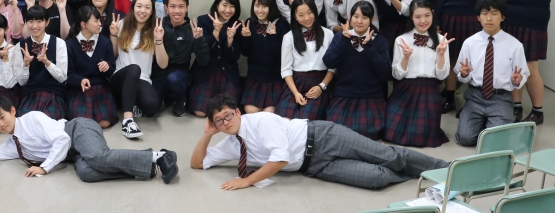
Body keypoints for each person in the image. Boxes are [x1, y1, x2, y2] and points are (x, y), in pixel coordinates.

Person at [191, 94, 449, 190]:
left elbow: (280, 159)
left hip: (324, 137)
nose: (226, 122)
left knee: (388, 156)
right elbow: (197, 163)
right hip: (314, 166)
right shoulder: (231, 142)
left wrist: (247, 181)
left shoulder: (260, 120)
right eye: (219, 121)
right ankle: (419, 174)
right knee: (376, 178)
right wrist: (207, 134)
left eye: (228, 115)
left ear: (238, 112)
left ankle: (448, 169)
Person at [0, 95, 179, 183]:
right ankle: (146, 167)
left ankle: (160, 156)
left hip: (76, 129)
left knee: (98, 157)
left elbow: (62, 139)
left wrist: (44, 168)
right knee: (86, 173)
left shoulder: (32, 118)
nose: (1, 124)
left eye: (2, 117)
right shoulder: (12, 145)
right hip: (72, 154)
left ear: (12, 111)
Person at [494, 0, 554, 125]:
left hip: (533, 23)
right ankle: (516, 106)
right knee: (513, 65)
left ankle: (538, 110)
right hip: (510, 21)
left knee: (530, 66)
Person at [454, 0, 530, 146]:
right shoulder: (469, 43)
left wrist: (517, 81)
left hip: (500, 98)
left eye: (494, 13)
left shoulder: (515, 45)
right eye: (484, 13)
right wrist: (464, 74)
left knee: (494, 142)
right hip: (475, 96)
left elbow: (523, 74)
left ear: (503, 17)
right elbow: (460, 73)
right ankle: (484, 123)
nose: (489, 18)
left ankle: (491, 124)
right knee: (465, 139)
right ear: (478, 17)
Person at [387, 0, 452, 147]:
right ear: (411, 17)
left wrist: (441, 55)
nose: (423, 21)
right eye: (417, 17)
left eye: (427, 15)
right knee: (392, 131)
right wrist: (406, 58)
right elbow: (397, 75)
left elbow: (442, 76)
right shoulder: (401, 40)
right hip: (405, 88)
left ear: (433, 14)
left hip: (430, 89)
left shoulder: (442, 41)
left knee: (420, 135)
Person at [321, 2, 390, 140]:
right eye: (356, 16)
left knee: (368, 133)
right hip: (344, 94)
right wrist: (343, 40)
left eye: (364, 17)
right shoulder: (340, 37)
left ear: (372, 19)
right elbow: (328, 62)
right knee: (339, 133)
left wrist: (369, 46)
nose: (359, 21)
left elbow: (385, 71)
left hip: (371, 96)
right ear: (350, 17)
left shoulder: (379, 40)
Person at [108, 0, 168, 138]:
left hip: (142, 79)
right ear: (133, 8)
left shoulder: (155, 30)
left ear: (152, 11)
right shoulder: (121, 25)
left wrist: (159, 40)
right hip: (120, 77)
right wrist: (113, 35)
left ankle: (130, 101)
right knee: (134, 68)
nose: (142, 11)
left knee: (152, 106)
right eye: (139, 6)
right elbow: (113, 55)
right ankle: (128, 121)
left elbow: (163, 64)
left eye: (147, 7)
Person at [275, 0, 335, 120]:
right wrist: (296, 93)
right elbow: (286, 70)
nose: (307, 18)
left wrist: (321, 86)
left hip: (319, 82)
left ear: (315, 12)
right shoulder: (289, 37)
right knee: (284, 120)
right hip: (295, 83)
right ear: (295, 17)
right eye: (301, 15)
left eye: (309, 13)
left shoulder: (328, 34)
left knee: (304, 122)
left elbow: (333, 67)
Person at [189, 0, 243, 118]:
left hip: (227, 72)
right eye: (224, 5)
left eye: (232, 6)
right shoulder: (204, 20)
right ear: (217, 5)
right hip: (207, 70)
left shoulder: (237, 25)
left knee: (228, 111)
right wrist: (216, 32)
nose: (228, 10)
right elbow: (203, 51)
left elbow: (234, 57)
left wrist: (230, 40)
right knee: (200, 112)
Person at [156, 0, 209, 117]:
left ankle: (180, 97)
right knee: (151, 108)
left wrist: (199, 40)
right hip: (159, 71)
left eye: (181, 6)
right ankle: (168, 93)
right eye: (172, 6)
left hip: (180, 73)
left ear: (187, 8)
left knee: (173, 79)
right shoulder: (159, 25)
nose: (177, 11)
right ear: (166, 8)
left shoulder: (192, 28)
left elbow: (204, 61)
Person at [238, 0, 289, 114]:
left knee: (269, 112)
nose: (260, 10)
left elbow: (281, 57)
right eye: (257, 6)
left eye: (264, 6)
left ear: (271, 7)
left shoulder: (282, 25)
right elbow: (245, 53)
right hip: (255, 76)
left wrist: (272, 38)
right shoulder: (250, 23)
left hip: (274, 77)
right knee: (251, 111)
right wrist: (246, 37)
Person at [65, 6, 117, 127]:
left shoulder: (105, 42)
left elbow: (112, 70)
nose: (100, 24)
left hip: (101, 87)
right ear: (84, 24)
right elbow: (68, 73)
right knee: (82, 122)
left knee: (104, 123)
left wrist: (107, 67)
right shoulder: (69, 44)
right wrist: (80, 80)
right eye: (96, 21)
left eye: (100, 20)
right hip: (79, 89)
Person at [14, 5, 68, 119]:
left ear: (47, 22)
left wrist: (47, 62)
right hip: (29, 94)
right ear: (26, 22)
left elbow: (62, 78)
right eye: (30, 21)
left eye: (39, 21)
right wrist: (25, 65)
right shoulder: (20, 46)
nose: (34, 26)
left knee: (49, 119)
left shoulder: (59, 43)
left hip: (53, 93)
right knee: (27, 121)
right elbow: (21, 82)